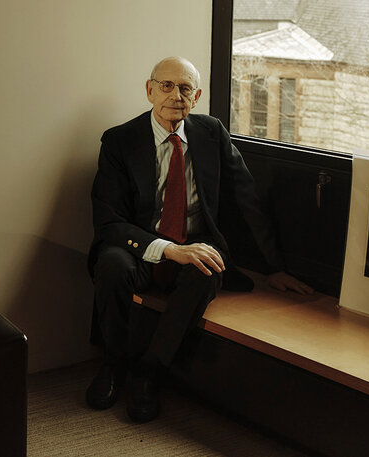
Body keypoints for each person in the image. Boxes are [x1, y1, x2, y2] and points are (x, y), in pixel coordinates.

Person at [87, 56, 313, 423]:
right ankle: (113, 364)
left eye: (185, 88)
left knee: (208, 266)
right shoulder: (119, 141)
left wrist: (274, 268)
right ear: (149, 90)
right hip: (143, 248)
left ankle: (149, 371)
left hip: (195, 244)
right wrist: (169, 250)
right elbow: (109, 221)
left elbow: (247, 198)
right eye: (166, 86)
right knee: (111, 265)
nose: (175, 95)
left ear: (197, 97)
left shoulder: (211, 133)